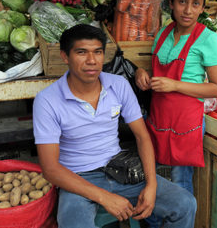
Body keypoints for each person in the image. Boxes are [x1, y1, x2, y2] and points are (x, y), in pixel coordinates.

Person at [32, 24, 197, 228]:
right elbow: (50, 169)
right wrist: (104, 197)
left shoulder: (118, 84)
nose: (91, 61)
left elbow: (142, 136)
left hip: (120, 167)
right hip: (78, 178)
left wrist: (152, 184)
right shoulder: (47, 100)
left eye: (98, 52)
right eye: (81, 52)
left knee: (185, 204)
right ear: (65, 56)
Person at [135, 0, 217, 194]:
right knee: (152, 179)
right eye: (182, 2)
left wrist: (174, 85)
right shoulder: (163, 34)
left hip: (186, 122)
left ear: (203, 8)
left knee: (179, 183)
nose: (188, 10)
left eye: (195, 4)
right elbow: (157, 72)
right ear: (172, 4)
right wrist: (143, 74)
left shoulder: (208, 39)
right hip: (158, 117)